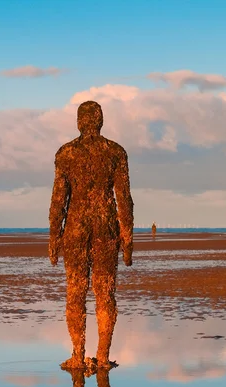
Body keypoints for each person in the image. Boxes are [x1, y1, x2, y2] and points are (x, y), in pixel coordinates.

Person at [49, 100, 134, 370]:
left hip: (75, 228)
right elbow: (124, 200)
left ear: (79, 121)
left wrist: (53, 239)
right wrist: (128, 241)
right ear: (100, 120)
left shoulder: (66, 154)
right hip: (106, 228)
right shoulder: (115, 153)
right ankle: (104, 355)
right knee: (104, 292)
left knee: (75, 292)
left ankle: (77, 355)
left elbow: (58, 202)